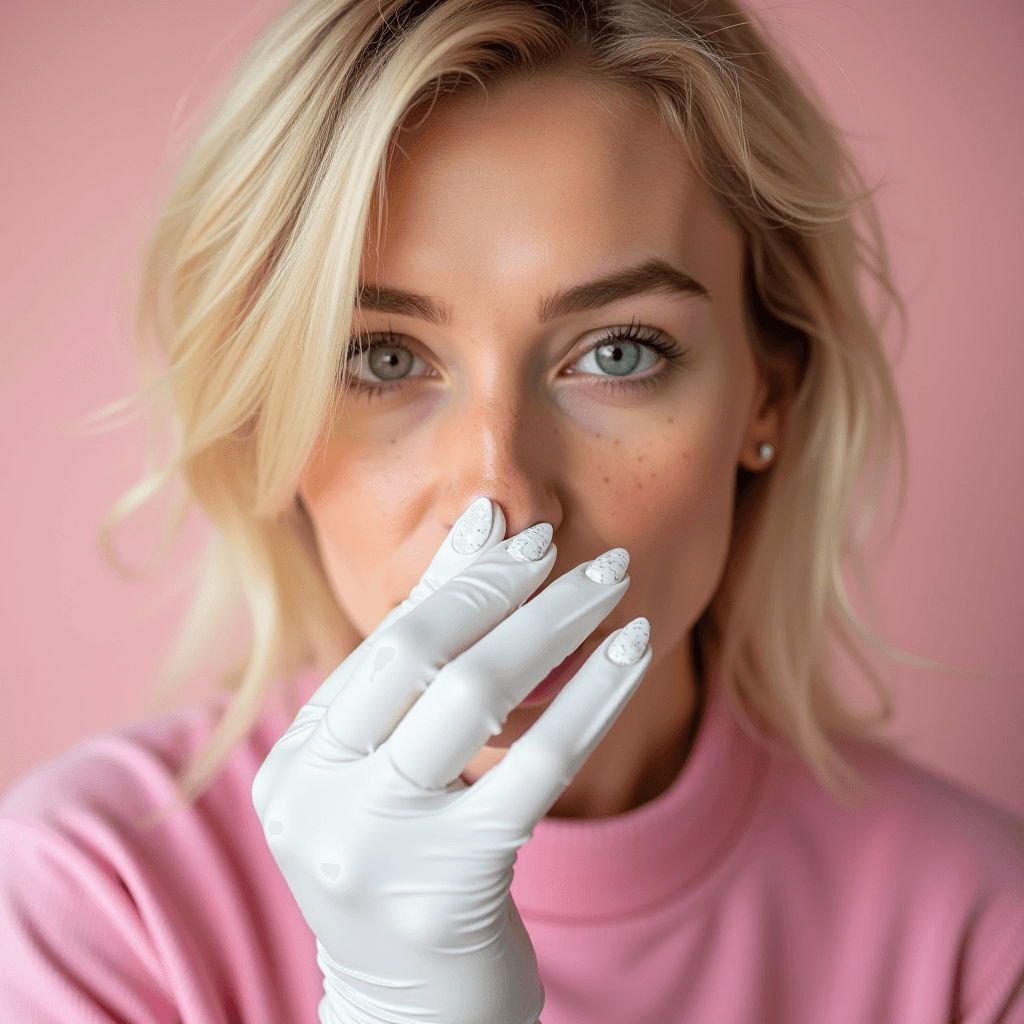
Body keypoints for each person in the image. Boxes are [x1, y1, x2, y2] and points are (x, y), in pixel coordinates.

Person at [2, 0, 1022, 1020]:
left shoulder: (977, 937)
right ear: (265, 417)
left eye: (618, 352)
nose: (503, 499)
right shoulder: (93, 896)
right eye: (381, 358)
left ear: (766, 395)